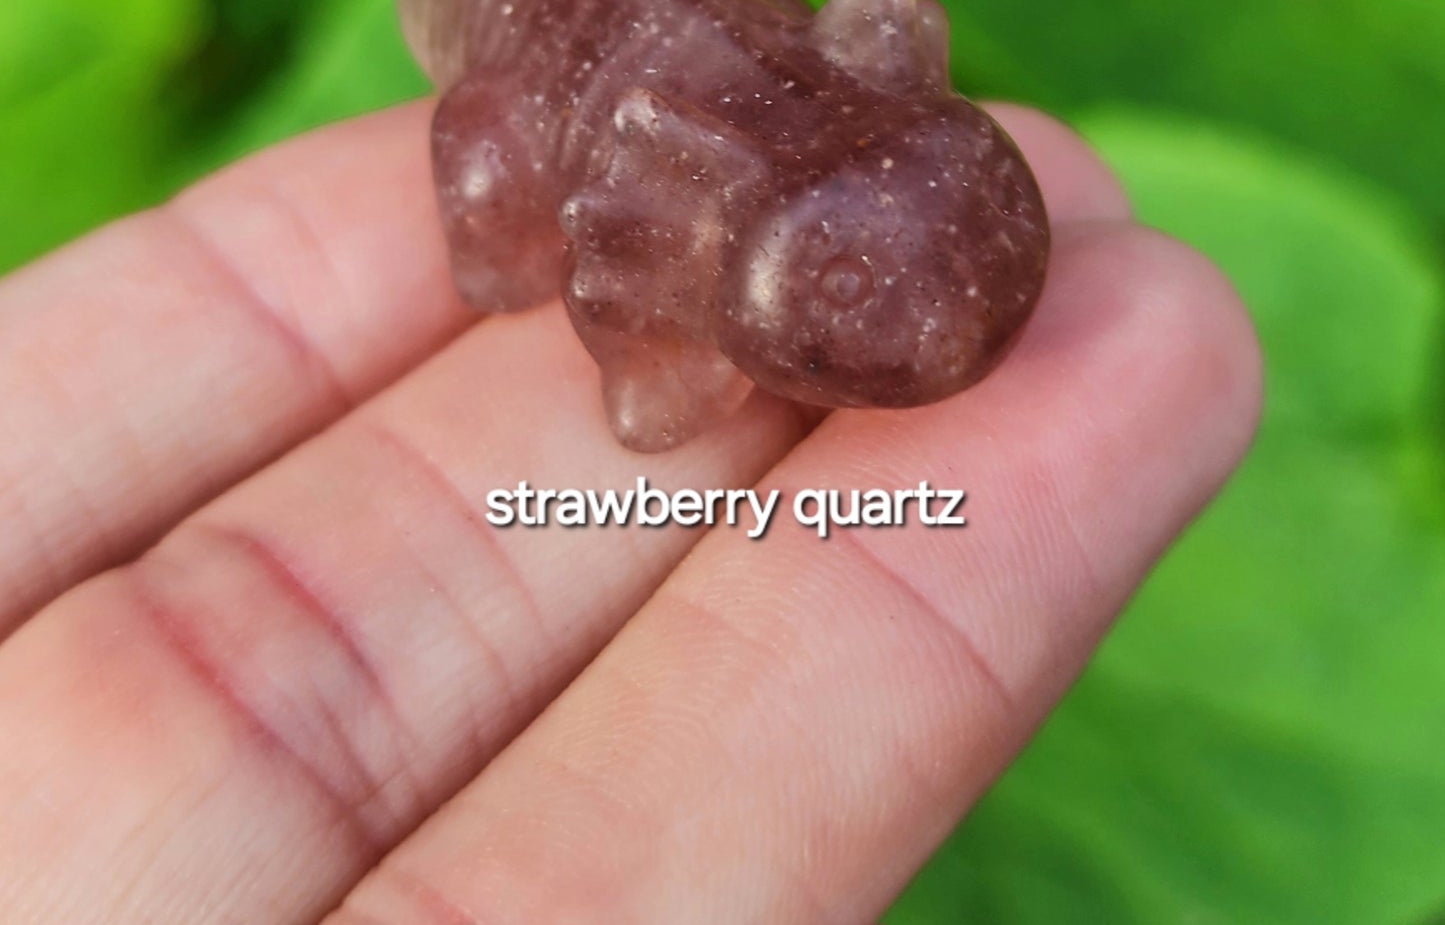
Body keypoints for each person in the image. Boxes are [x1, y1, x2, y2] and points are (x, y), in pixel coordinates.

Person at [0, 99, 1260, 923]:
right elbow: (603, 230)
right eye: (846, 281)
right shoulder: (649, 197)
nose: (943, 327)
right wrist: (638, 344)